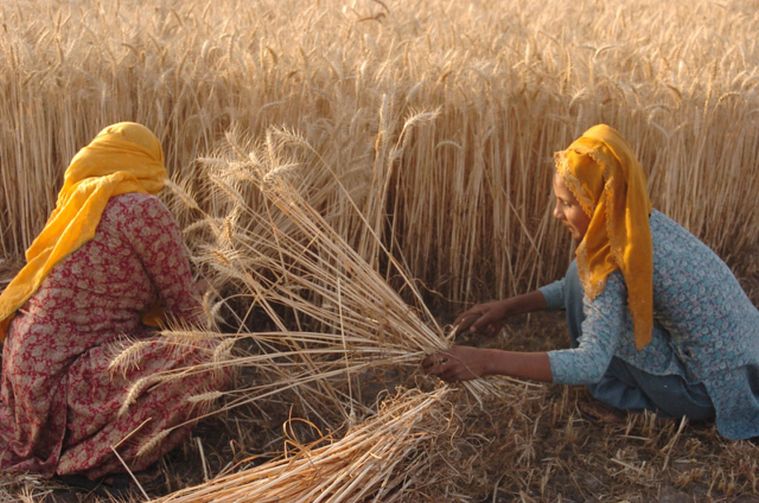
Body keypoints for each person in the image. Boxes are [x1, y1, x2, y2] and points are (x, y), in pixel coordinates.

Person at [423, 124, 759, 440]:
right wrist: (509, 307)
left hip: (702, 392)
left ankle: (624, 400)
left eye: (567, 203)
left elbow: (590, 362)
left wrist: (487, 361)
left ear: (600, 202)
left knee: (587, 280)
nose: (557, 214)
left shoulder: (613, 257)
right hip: (742, 374)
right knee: (581, 272)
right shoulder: (639, 220)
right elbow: (581, 284)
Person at [0, 122, 226, 479]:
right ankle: (93, 462)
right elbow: (185, 307)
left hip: (26, 378)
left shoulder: (79, 205)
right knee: (206, 360)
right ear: (148, 159)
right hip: (68, 380)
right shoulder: (142, 209)